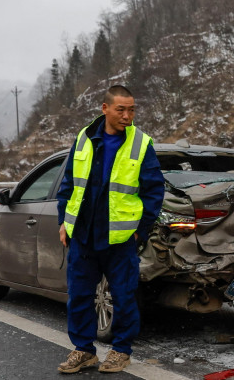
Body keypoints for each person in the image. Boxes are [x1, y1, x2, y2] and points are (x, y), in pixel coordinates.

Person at [55, 85, 164, 375]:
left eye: (132, 110)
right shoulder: (84, 138)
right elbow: (69, 186)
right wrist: (63, 223)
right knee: (79, 295)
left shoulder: (141, 144)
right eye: (121, 109)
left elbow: (154, 191)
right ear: (105, 109)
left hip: (120, 237)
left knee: (123, 296)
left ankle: (121, 351)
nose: (127, 115)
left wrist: (140, 230)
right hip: (83, 235)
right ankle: (84, 351)